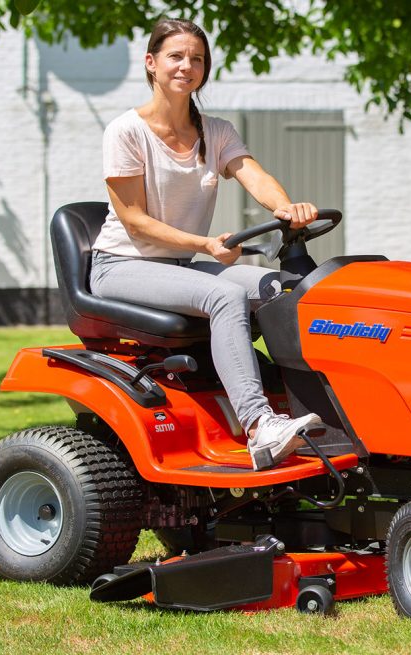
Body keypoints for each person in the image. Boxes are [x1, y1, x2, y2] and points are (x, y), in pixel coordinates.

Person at [89, 18, 325, 471]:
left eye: (197, 58)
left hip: (177, 265)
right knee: (225, 294)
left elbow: (253, 175)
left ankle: (309, 404)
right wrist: (204, 242)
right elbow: (135, 222)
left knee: (284, 289)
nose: (187, 66)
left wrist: (287, 207)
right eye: (176, 56)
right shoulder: (126, 132)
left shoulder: (214, 131)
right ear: (151, 63)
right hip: (120, 265)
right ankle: (259, 426)